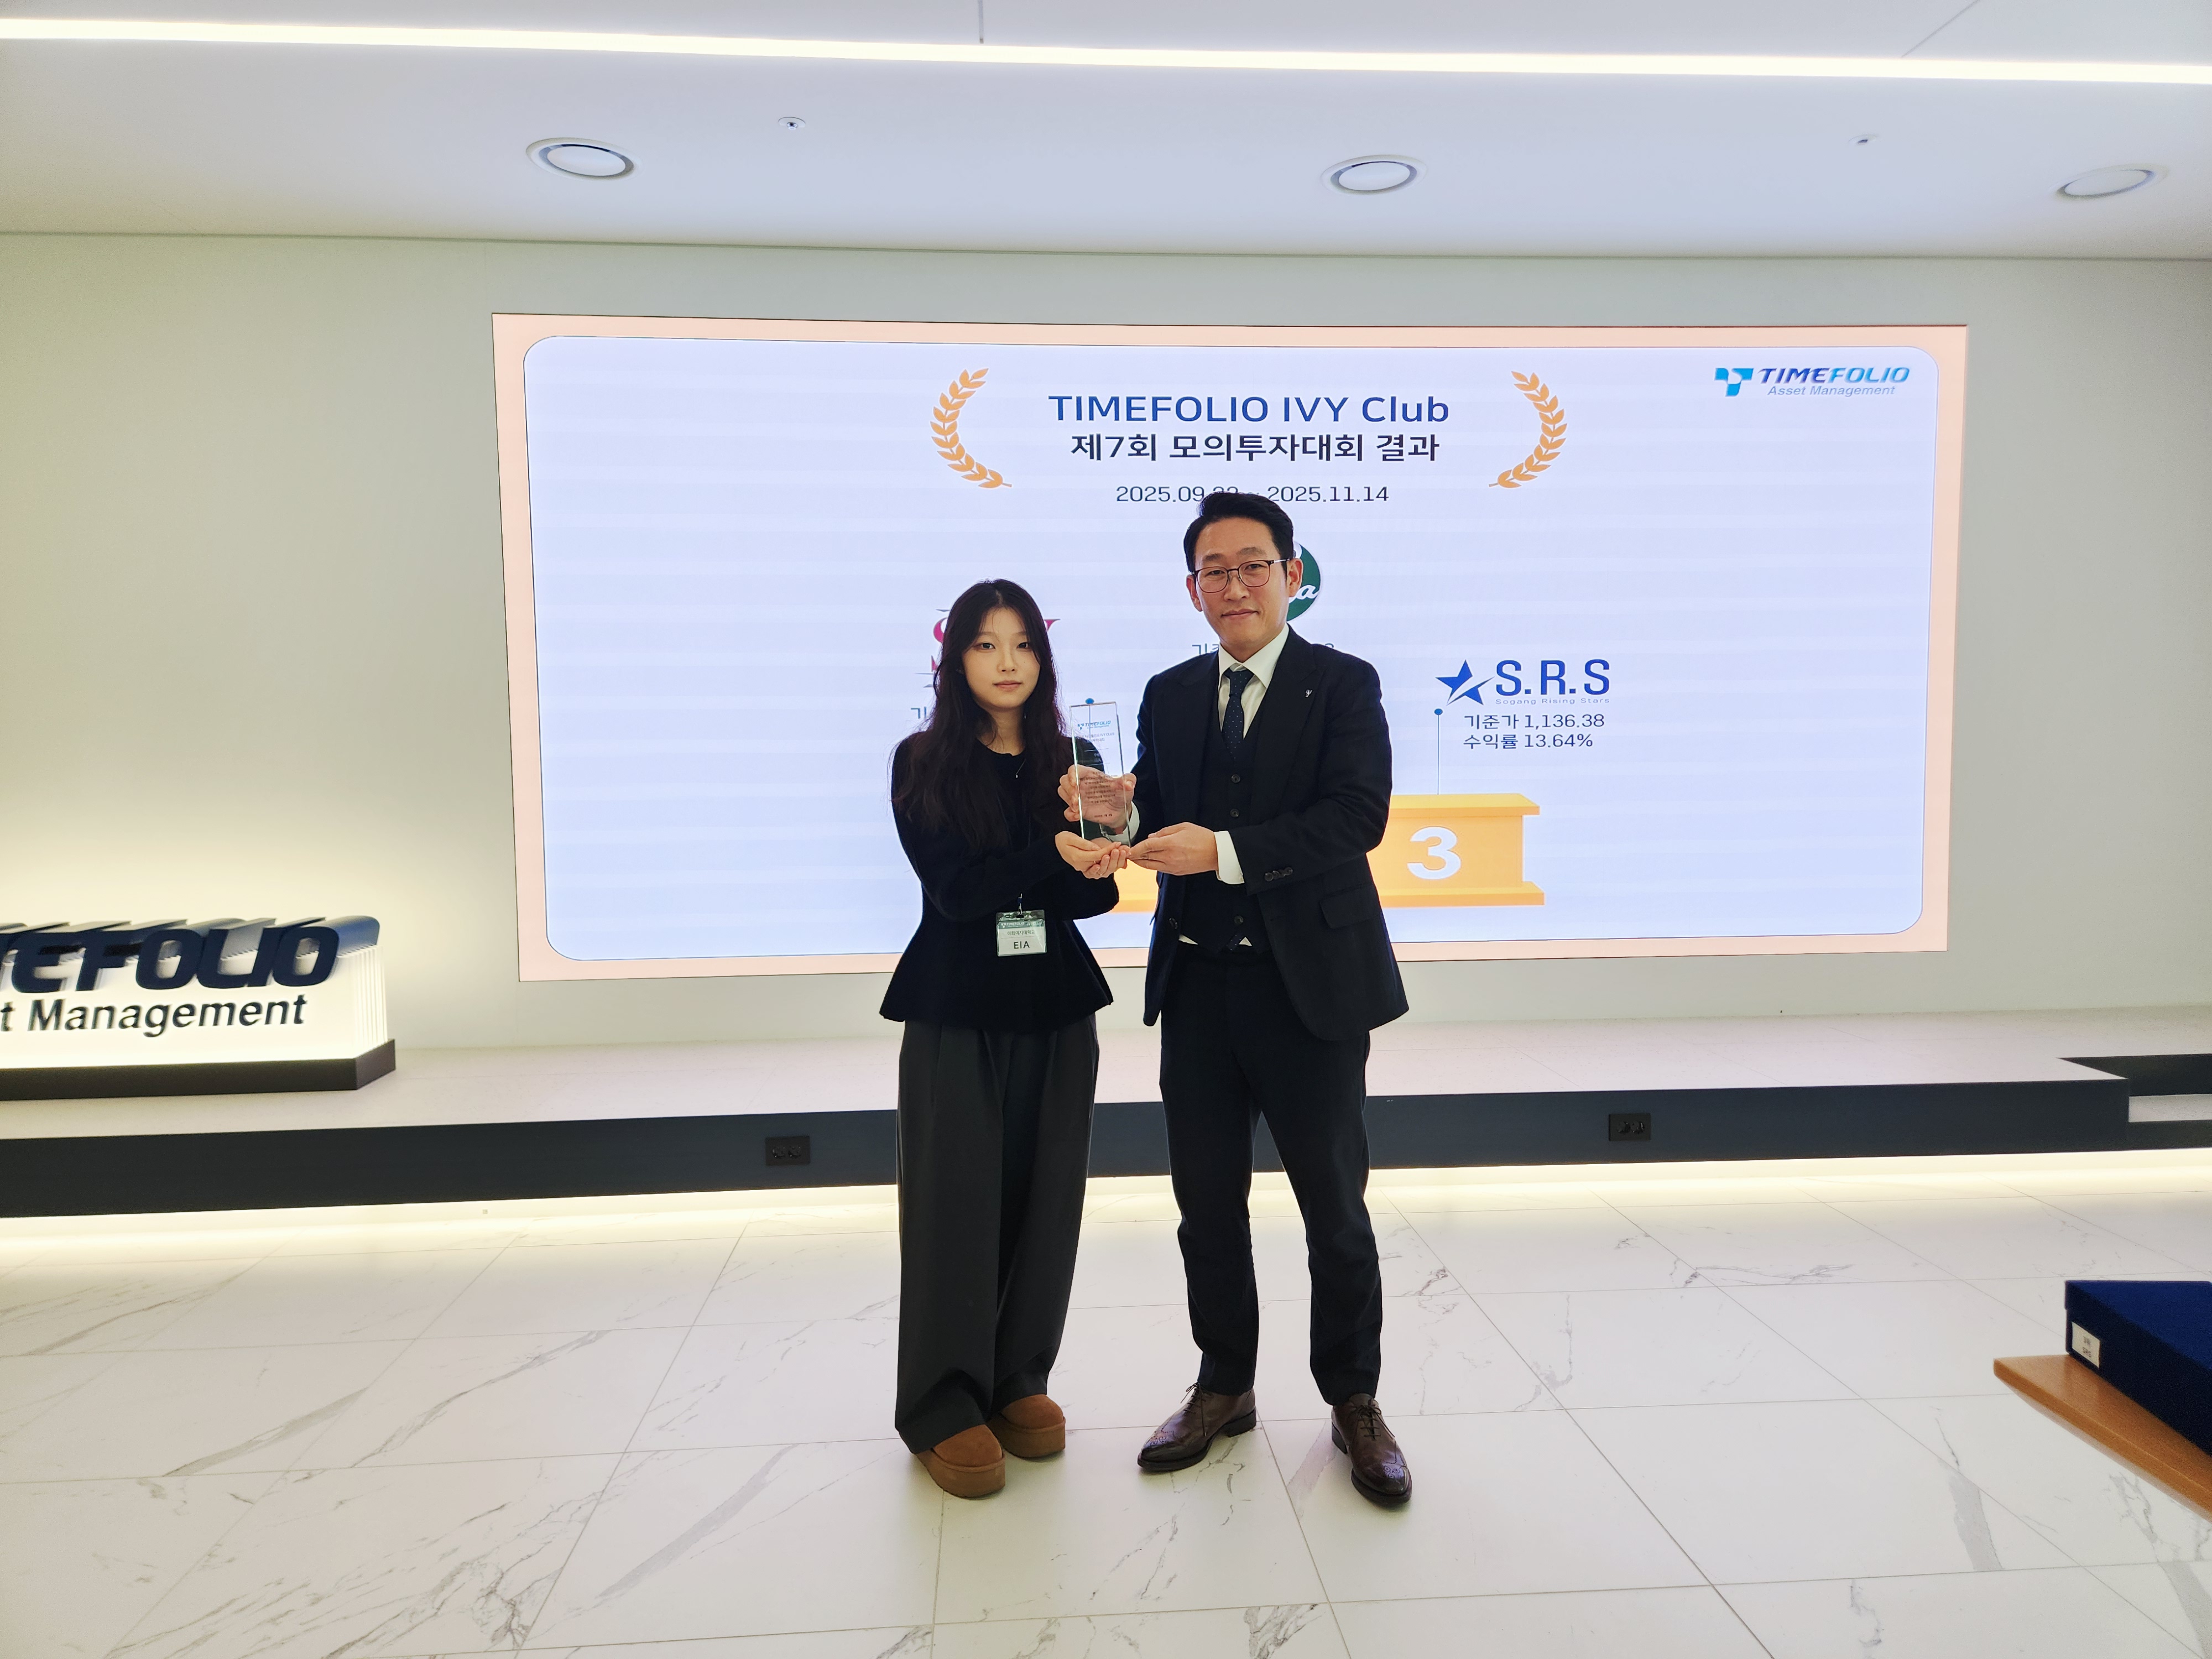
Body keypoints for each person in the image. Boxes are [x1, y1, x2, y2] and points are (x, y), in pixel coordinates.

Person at [1062, 491, 1414, 1506]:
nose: (1235, 586)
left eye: (1253, 565)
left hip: (1313, 992)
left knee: (1333, 1210)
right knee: (1205, 1207)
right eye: (1214, 571)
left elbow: (1357, 817)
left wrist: (1221, 850)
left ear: (1293, 576)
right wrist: (1114, 817)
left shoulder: (1344, 683)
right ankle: (1224, 1385)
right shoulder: (1170, 692)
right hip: (1200, 990)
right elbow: (1162, 817)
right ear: (1192, 590)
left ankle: (1354, 1399)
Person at [881, 578, 1128, 1499]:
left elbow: (1093, 899)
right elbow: (957, 891)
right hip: (957, 1006)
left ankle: (1020, 1376)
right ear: (955, 660)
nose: (1008, 662)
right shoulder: (922, 761)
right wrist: (1048, 854)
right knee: (953, 1205)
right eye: (986, 645)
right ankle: (943, 1402)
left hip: (1056, 1004)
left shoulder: (1074, 758)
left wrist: (1110, 839)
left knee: (1047, 1199)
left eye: (1023, 643)